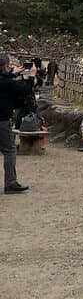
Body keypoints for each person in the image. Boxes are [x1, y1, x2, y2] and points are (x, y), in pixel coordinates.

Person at [0, 54, 36, 194]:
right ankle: (11, 183)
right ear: (5, 67)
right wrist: (32, 75)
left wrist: (12, 74)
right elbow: (26, 89)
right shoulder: (7, 83)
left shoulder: (6, 80)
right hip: (2, 121)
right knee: (9, 151)